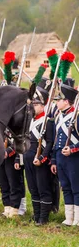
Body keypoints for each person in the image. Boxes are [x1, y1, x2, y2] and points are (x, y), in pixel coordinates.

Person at [24, 78, 55, 225]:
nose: (33, 107)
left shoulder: (47, 122)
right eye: (33, 104)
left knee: (43, 188)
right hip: (28, 156)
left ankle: (43, 217)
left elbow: (50, 143)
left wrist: (42, 157)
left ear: (43, 105)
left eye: (36, 104)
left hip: (39, 158)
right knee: (32, 188)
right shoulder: (29, 120)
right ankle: (36, 215)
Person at [51, 79, 79, 226]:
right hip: (61, 157)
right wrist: (54, 160)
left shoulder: (77, 116)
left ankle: (78, 219)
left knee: (76, 188)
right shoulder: (58, 117)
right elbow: (56, 141)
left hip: (74, 158)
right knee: (66, 187)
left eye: (59, 100)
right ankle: (69, 218)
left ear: (67, 101)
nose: (56, 102)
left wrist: (73, 148)